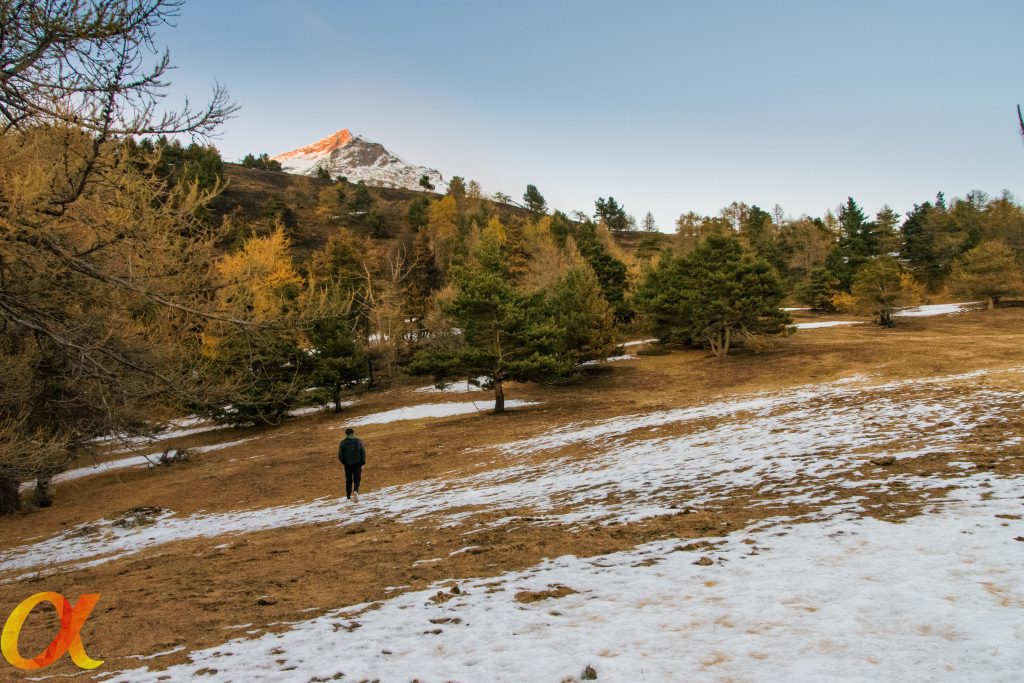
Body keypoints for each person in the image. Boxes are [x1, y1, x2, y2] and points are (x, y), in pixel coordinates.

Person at [338, 427, 366, 502]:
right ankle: (356, 491)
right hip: (358, 464)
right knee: (357, 479)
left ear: (346, 434)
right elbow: (363, 452)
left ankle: (348, 497)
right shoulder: (358, 441)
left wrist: (344, 463)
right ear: (353, 433)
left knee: (349, 480)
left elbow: (340, 455)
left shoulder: (343, 443)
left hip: (348, 465)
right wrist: (362, 463)